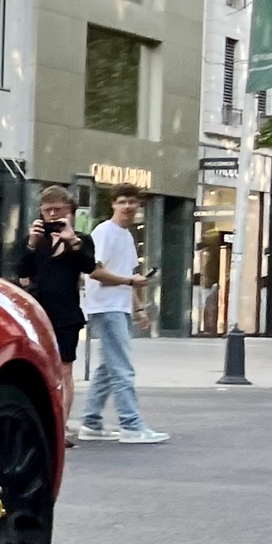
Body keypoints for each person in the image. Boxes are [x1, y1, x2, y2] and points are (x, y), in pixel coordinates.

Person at [80, 185, 168, 445]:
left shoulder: (126, 236)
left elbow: (127, 276)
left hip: (118, 306)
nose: (128, 206)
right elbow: (95, 272)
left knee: (108, 368)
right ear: (113, 205)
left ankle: (91, 421)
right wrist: (130, 282)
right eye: (122, 201)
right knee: (122, 369)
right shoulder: (105, 233)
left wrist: (138, 307)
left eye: (132, 202)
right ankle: (131, 425)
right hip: (106, 307)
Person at [16, 185, 95, 365]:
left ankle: (66, 395)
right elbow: (22, 271)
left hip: (66, 315)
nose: (52, 214)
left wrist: (73, 241)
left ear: (69, 212)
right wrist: (31, 245)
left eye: (57, 209)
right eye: (47, 210)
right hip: (38, 312)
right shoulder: (34, 239)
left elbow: (89, 267)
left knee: (64, 367)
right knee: (38, 365)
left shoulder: (82, 240)